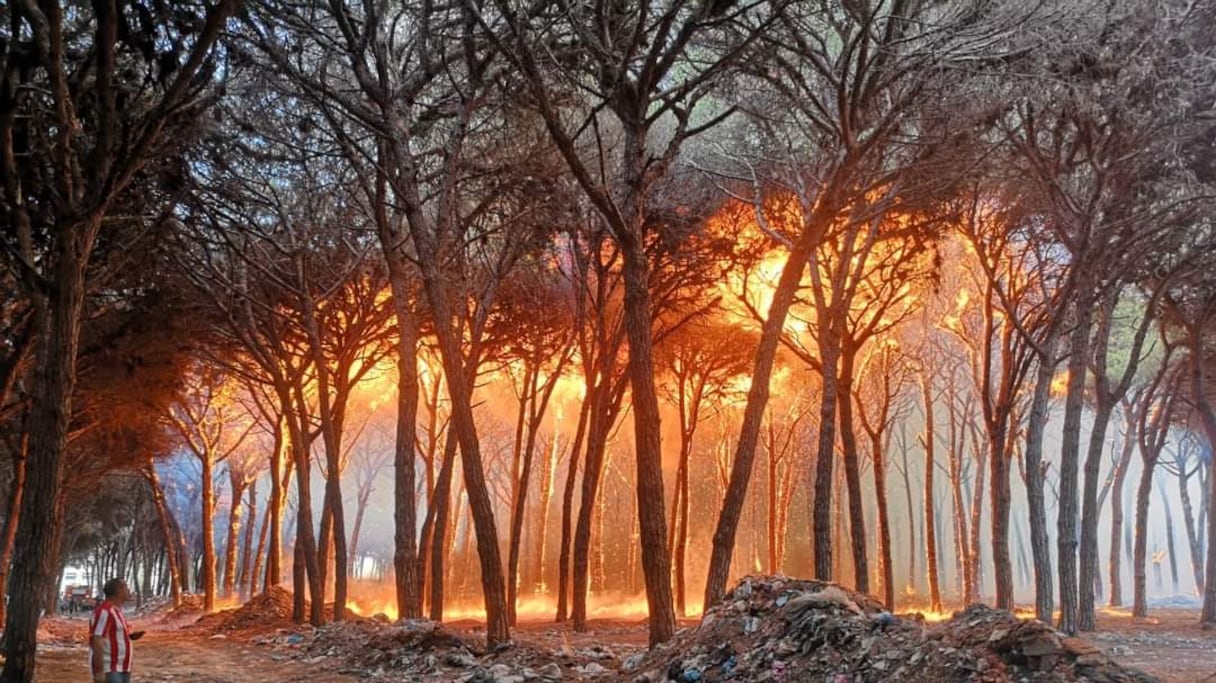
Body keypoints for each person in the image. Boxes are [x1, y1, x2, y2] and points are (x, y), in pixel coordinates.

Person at [89, 578, 145, 683]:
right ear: (119, 592)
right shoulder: (105, 612)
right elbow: (97, 640)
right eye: (126, 588)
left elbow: (111, 634)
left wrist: (129, 637)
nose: (128, 590)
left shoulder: (116, 611)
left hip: (122, 667)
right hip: (110, 668)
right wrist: (99, 671)